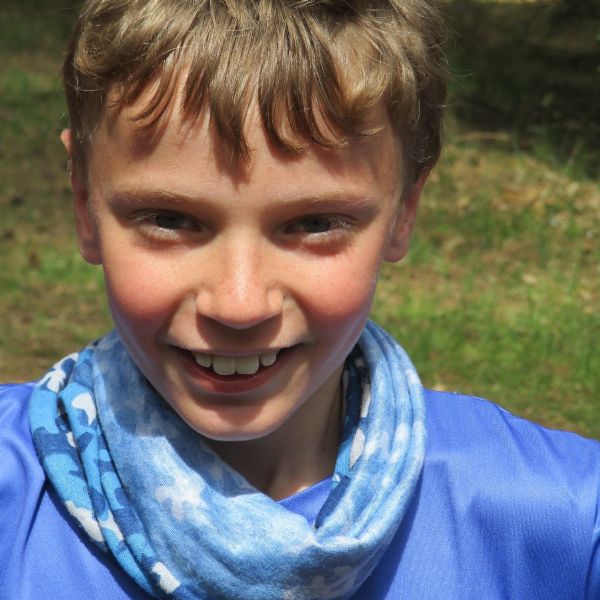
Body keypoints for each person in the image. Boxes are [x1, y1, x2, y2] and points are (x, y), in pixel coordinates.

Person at [1, 0, 599, 598]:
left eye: (315, 223)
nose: (239, 304)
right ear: (84, 203)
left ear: (405, 210)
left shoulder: (559, 518)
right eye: (169, 219)